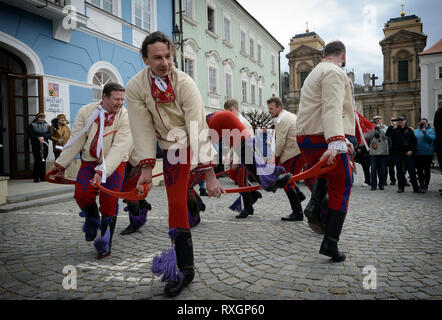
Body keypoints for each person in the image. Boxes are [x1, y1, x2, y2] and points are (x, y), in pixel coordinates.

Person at [126, 32, 290, 297]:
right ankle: (184, 269)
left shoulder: (185, 82)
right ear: (145, 58)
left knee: (227, 117)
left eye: (168, 56)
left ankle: (263, 173)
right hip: (172, 148)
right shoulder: (135, 87)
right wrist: (146, 168)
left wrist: (209, 174)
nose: (165, 63)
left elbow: (197, 127)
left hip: (198, 131)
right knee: (176, 205)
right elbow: (142, 127)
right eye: (157, 57)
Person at [50, 82, 132, 258]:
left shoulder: (126, 116)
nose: (120, 103)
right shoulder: (86, 111)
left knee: (110, 202)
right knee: (81, 194)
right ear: (104, 97)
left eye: (122, 99)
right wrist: (60, 164)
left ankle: (105, 241)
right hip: (89, 160)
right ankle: (92, 219)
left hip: (115, 163)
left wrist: (103, 171)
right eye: (117, 99)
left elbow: (120, 147)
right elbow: (76, 140)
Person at [296, 40, 355, 262]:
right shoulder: (334, 72)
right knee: (342, 185)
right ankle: (330, 243)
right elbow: (332, 106)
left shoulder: (314, 72)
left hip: (308, 137)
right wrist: (337, 141)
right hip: (325, 136)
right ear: (343, 54)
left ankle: (314, 205)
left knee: (325, 175)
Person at [267, 96, 306, 222]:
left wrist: (274, 159)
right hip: (295, 151)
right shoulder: (287, 116)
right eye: (269, 108)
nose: (270, 111)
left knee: (287, 183)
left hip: (292, 153)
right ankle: (299, 196)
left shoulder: (281, 120)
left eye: (272, 108)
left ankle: (298, 213)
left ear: (279, 107)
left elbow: (280, 142)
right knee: (289, 180)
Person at [223, 98, 262, 219]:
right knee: (232, 175)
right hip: (240, 154)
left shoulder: (242, 123)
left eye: (231, 110)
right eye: (227, 111)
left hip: (247, 155)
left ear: (236, 109)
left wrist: (237, 161)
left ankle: (248, 208)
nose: (229, 113)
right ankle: (254, 194)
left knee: (242, 180)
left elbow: (245, 143)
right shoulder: (233, 121)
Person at [386, 115, 424, 193]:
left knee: (412, 170)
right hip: (397, 153)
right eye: (399, 120)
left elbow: (414, 142)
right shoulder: (395, 130)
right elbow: (388, 134)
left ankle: (416, 188)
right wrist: (391, 126)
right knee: (399, 171)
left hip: (408, 153)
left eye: (401, 120)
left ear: (405, 121)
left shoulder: (409, 130)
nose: (400, 121)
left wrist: (412, 150)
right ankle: (401, 187)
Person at [366, 116, 389, 190]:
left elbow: (386, 136)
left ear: (381, 120)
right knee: (373, 169)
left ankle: (381, 184)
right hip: (373, 152)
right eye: (375, 121)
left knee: (382, 169)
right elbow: (367, 137)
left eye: (378, 120)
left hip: (382, 151)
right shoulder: (371, 128)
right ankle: (373, 185)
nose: (377, 122)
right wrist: (373, 129)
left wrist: (380, 129)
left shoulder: (385, 127)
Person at [413, 118, 436, 192]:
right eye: (421, 123)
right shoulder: (416, 131)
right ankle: (421, 184)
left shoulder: (431, 131)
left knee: (426, 170)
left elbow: (431, 139)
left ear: (427, 123)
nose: (423, 124)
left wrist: (425, 132)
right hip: (418, 153)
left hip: (427, 154)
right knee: (419, 170)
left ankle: (426, 184)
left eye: (424, 123)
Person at [28, 112, 51, 183]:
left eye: (43, 117)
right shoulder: (32, 125)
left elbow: (50, 134)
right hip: (36, 145)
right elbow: (31, 135)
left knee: (43, 161)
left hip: (45, 144)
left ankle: (42, 177)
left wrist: (44, 137)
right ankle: (36, 177)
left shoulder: (47, 125)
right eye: (40, 117)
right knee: (37, 161)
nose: (42, 119)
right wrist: (38, 138)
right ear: (37, 118)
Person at [386, 117, 397, 185]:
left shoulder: (399, 129)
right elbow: (387, 134)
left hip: (398, 151)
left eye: (394, 120)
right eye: (392, 121)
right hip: (391, 150)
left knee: (401, 167)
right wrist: (391, 126)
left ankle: (403, 179)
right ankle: (393, 180)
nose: (393, 122)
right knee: (391, 166)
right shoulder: (390, 129)